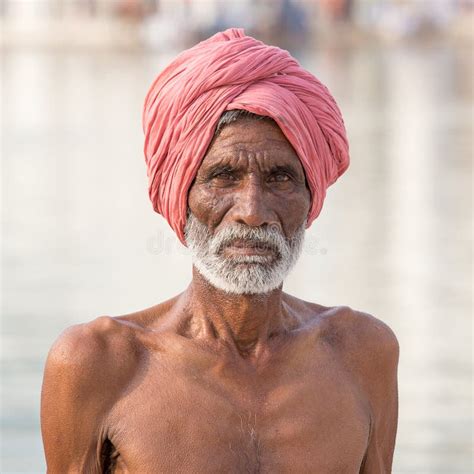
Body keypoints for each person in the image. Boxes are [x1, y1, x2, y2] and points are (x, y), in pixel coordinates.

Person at [41, 29, 399, 473]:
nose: (252, 211)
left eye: (281, 178)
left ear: (311, 199)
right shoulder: (98, 363)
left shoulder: (362, 352)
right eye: (223, 176)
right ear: (181, 194)